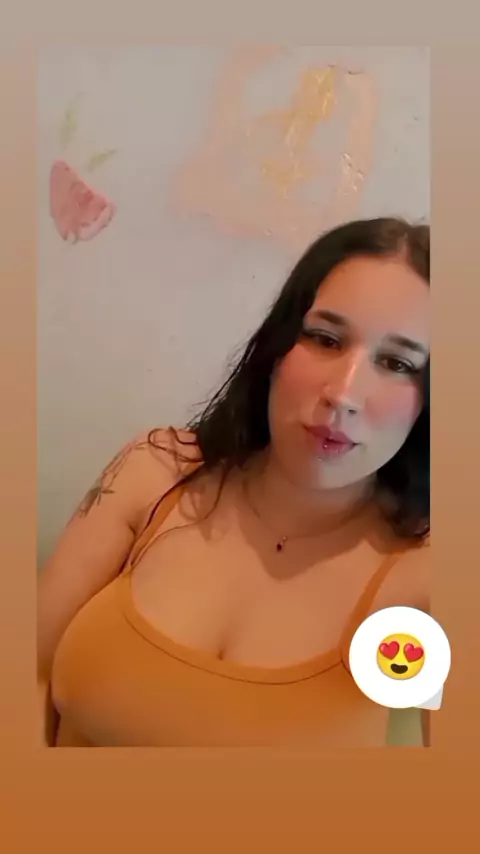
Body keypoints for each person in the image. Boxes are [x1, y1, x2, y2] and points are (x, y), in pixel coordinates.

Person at [37, 217, 430, 747]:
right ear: (278, 348)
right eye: (324, 338)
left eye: (398, 363)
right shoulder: (156, 470)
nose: (343, 394)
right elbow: (30, 673)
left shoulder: (426, 570)